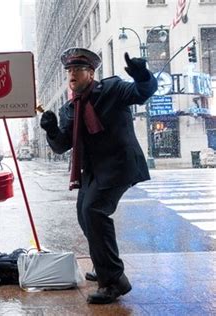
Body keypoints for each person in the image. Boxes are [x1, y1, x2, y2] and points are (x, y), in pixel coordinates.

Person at [40, 48, 157, 304]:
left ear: (90, 73)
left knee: (94, 211)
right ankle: (105, 266)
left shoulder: (112, 89)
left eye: (77, 70)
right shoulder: (69, 108)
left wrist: (142, 75)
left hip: (119, 165)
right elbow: (62, 145)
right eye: (69, 71)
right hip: (92, 170)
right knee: (84, 214)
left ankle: (113, 281)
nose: (72, 74)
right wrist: (50, 130)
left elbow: (142, 92)